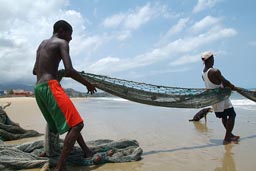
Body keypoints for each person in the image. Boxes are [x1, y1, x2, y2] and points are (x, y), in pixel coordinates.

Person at [33, 20, 97, 171]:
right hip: (51, 87)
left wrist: (51, 69)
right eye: (70, 34)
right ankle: (60, 167)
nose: (71, 38)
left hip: (39, 89)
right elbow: (69, 70)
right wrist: (87, 84)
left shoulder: (42, 44)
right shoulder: (62, 43)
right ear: (61, 31)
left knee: (71, 123)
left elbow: (35, 70)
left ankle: (86, 151)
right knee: (77, 124)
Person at [201, 51, 240, 145]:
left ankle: (230, 135)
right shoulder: (215, 71)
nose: (214, 60)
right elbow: (225, 82)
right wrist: (233, 87)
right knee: (232, 115)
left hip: (215, 99)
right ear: (210, 59)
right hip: (221, 97)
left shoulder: (203, 73)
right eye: (213, 58)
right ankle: (227, 138)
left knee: (224, 116)